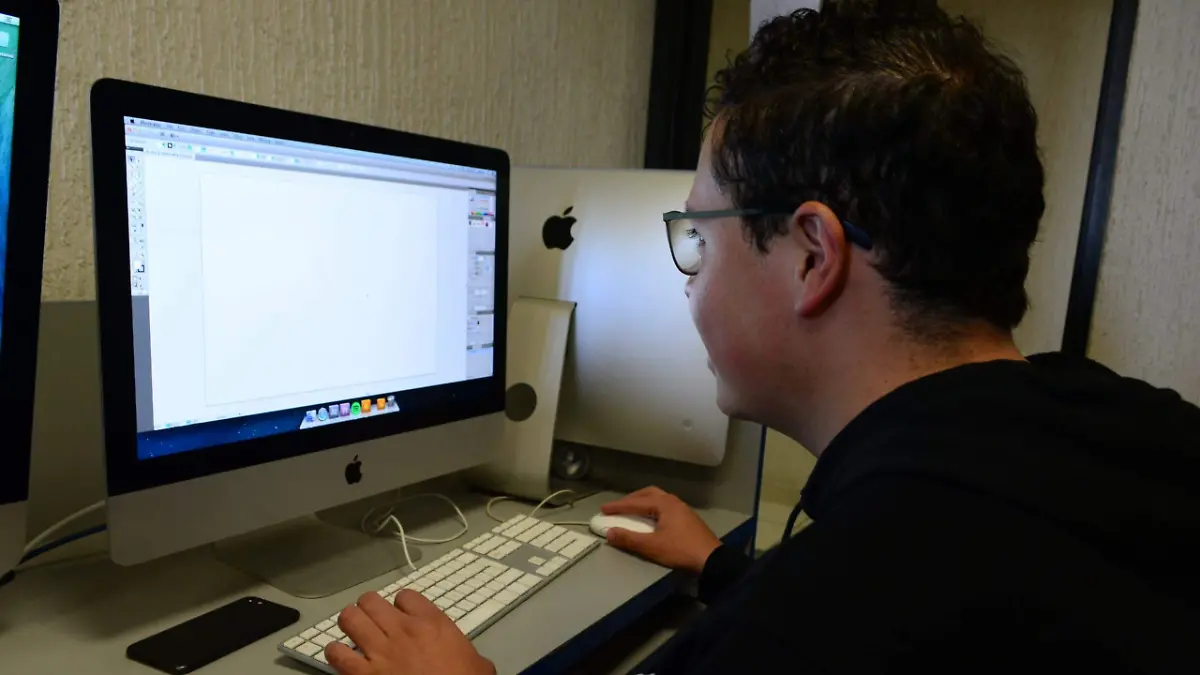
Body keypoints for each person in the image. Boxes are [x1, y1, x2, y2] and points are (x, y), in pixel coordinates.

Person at [324, 3, 1200, 674]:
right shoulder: (1129, 426)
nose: (689, 279)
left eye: (700, 239)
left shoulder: (839, 599)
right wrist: (722, 570)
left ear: (813, 255)